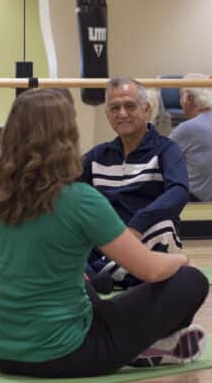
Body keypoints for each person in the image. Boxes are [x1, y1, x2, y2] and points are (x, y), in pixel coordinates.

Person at [0, 89, 209, 377]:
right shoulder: (80, 199)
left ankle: (146, 346)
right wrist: (182, 261)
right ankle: (150, 344)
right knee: (190, 281)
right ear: (65, 134)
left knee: (84, 283)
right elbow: (152, 270)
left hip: (2, 351)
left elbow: (0, 263)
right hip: (64, 354)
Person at [81, 77, 190, 290]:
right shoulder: (96, 156)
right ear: (108, 115)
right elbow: (67, 193)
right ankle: (112, 274)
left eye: (130, 106)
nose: (122, 114)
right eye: (115, 108)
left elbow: (179, 192)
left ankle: (102, 276)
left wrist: (137, 224)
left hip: (146, 240)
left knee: (164, 228)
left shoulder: (167, 150)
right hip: (107, 244)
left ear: (146, 109)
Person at [168, 73, 212, 202]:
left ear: (189, 98)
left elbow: (158, 157)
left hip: (193, 201)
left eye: (181, 95)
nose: (179, 101)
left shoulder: (188, 128)